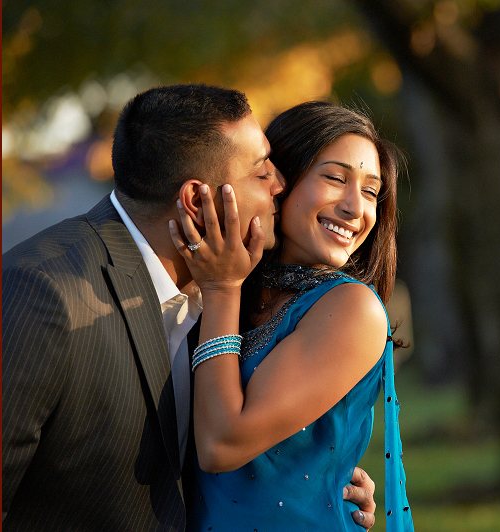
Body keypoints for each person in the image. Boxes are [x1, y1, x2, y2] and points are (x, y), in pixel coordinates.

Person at [2, 84, 377, 531]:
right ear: (197, 200)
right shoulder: (43, 291)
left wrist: (312, 472)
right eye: (261, 172)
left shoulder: (230, 293)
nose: (280, 183)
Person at [169, 100, 415, 531]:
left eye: (371, 191)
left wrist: (223, 290)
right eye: (336, 178)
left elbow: (221, 446)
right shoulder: (230, 281)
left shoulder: (350, 308)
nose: (355, 209)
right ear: (280, 180)